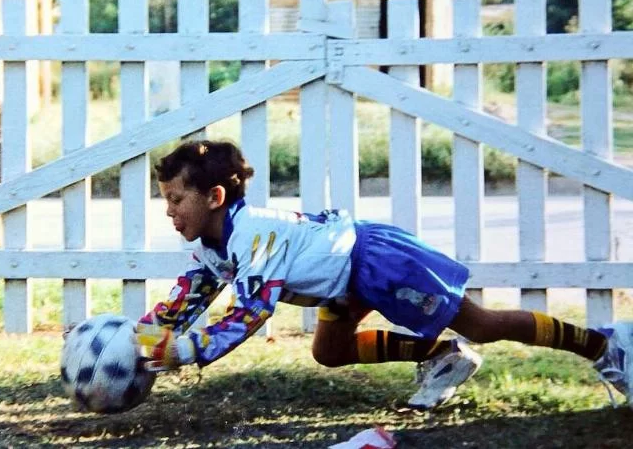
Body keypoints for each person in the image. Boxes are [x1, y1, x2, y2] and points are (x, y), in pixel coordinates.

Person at [135, 140, 633, 409]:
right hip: (339, 277)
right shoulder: (210, 243)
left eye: (176, 199)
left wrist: (186, 351)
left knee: (481, 323)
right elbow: (192, 294)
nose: (169, 211)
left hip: (371, 261)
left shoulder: (252, 237)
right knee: (329, 353)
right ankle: (442, 357)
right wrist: (137, 341)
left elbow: (251, 311)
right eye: (167, 200)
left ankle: (604, 345)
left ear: (215, 198)